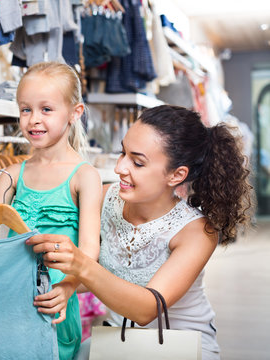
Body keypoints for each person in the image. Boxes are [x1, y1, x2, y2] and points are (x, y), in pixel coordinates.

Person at [27, 105, 253, 360]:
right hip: (119, 340)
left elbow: (148, 308)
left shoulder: (197, 231)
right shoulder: (104, 198)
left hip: (179, 344)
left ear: (176, 175)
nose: (120, 167)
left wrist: (81, 265)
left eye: (137, 162)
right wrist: (67, 285)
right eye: (122, 152)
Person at [0, 61, 103, 360]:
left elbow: (89, 253)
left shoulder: (85, 176)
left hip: (52, 305)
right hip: (6, 304)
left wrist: (68, 287)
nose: (33, 120)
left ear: (74, 113)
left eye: (46, 109)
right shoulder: (11, 175)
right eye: (25, 109)